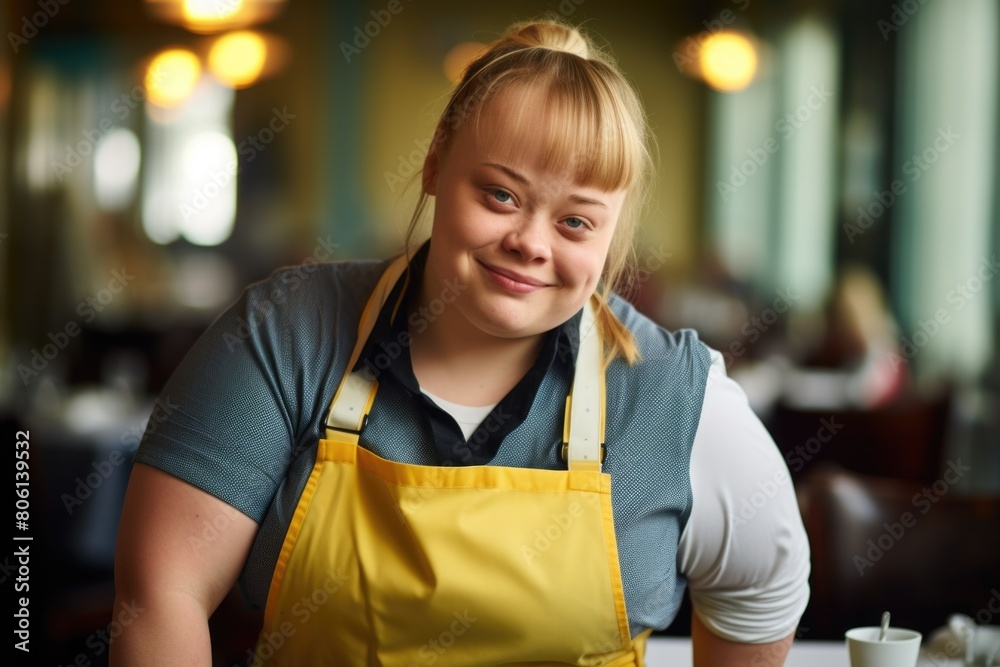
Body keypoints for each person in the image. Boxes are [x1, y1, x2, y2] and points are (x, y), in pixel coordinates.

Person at [111, 17, 810, 666]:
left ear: (610, 236)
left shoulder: (675, 397)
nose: (530, 243)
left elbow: (762, 592)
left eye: (575, 223)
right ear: (437, 162)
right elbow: (160, 595)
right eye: (501, 195)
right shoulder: (285, 332)